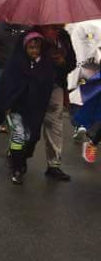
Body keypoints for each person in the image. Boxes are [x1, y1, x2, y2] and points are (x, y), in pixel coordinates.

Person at [0, 32, 56, 185]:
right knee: (18, 134)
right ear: (25, 48)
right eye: (31, 48)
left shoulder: (45, 65)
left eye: (37, 48)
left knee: (29, 137)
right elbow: (7, 86)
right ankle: (18, 168)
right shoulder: (16, 63)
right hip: (16, 108)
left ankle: (17, 157)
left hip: (34, 109)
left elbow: (46, 85)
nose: (34, 51)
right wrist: (6, 105)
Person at [34, 24, 77, 181]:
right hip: (35, 86)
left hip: (56, 86)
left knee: (55, 124)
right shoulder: (35, 33)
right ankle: (18, 157)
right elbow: (25, 59)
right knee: (30, 125)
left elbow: (72, 62)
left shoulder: (63, 36)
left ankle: (54, 165)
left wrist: (62, 62)